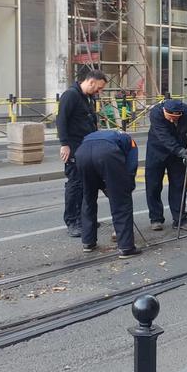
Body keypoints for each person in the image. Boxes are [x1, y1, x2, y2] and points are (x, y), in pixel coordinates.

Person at [75, 130, 143, 259]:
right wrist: (126, 188)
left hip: (82, 153)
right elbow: (131, 166)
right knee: (121, 201)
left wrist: (104, 185)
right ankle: (126, 247)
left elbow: (96, 169)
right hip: (107, 153)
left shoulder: (98, 134)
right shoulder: (130, 141)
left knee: (88, 198)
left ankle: (88, 242)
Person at [57, 69, 107, 237]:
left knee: (87, 183)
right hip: (73, 147)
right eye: (98, 88)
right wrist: (64, 144)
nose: (98, 92)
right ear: (91, 82)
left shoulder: (88, 97)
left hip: (86, 146)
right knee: (75, 184)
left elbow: (90, 120)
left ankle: (85, 218)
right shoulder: (70, 95)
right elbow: (61, 120)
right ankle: (72, 221)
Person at [145, 99, 187, 231]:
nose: (172, 121)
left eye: (175, 118)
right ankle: (156, 218)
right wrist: (181, 152)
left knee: (180, 184)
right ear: (164, 111)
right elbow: (164, 137)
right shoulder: (156, 113)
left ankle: (180, 219)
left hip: (178, 154)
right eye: (170, 118)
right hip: (157, 151)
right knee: (153, 185)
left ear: (181, 114)